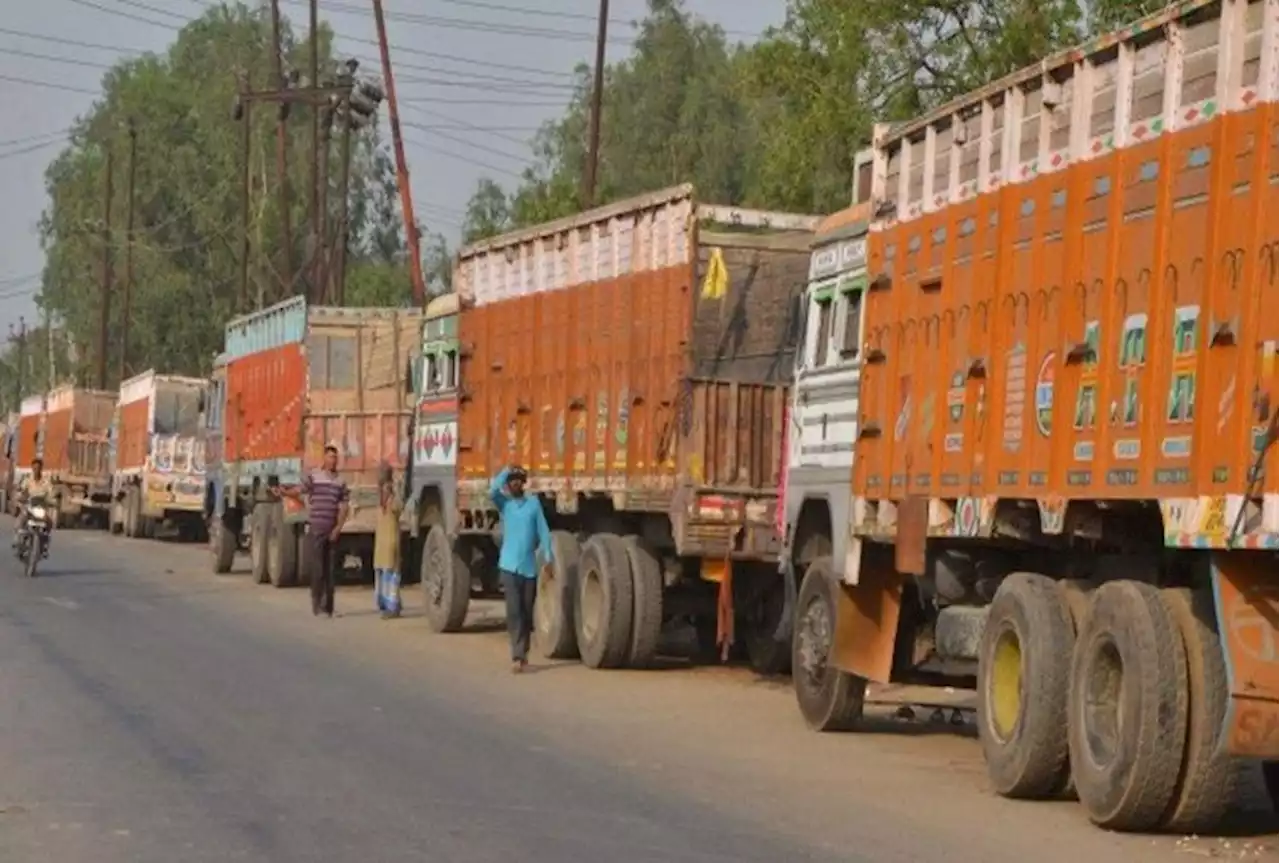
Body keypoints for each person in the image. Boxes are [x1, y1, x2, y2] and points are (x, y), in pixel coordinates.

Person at [490, 464, 554, 673]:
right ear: (508, 485)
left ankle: (523, 653)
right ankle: (516, 656)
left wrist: (548, 556)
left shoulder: (533, 505)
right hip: (509, 567)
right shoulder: (505, 505)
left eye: (518, 479)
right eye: (512, 480)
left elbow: (543, 531)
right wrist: (505, 472)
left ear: (524, 484)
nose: (515, 483)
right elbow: (491, 491)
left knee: (526, 613)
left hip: (528, 569)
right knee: (514, 611)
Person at [277, 444, 349, 617]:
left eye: (335, 458)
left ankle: (329, 607)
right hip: (317, 529)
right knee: (317, 569)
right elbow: (300, 489)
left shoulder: (340, 481)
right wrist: (285, 492)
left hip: (332, 531)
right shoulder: (315, 477)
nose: (333, 461)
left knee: (330, 571)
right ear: (324, 458)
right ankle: (317, 604)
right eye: (330, 457)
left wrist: (338, 528)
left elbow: (344, 506)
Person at [373, 467, 403, 620]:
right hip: (386, 542)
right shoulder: (386, 497)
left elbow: (397, 508)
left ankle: (391, 606)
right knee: (388, 574)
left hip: (386, 542)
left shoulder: (387, 497)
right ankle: (390, 605)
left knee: (387, 575)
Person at [12, 458, 54, 549]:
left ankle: (45, 544)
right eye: (34, 468)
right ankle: (17, 538)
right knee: (21, 519)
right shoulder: (28, 480)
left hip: (41, 506)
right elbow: (22, 490)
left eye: (38, 468)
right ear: (32, 468)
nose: (36, 470)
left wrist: (52, 501)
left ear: (41, 469)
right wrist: (20, 497)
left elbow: (51, 493)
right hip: (30, 504)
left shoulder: (46, 481)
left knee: (49, 522)